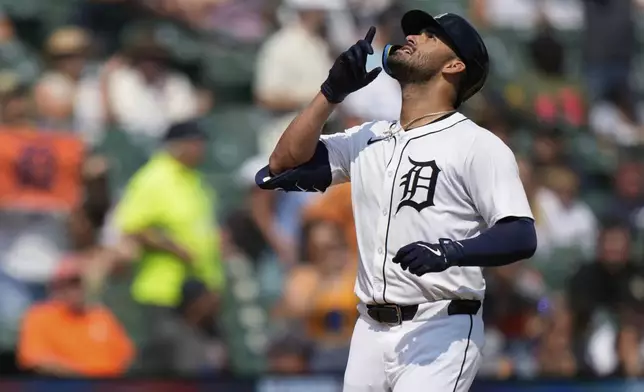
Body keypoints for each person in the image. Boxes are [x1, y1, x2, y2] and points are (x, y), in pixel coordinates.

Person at [256, 10, 537, 391]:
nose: (414, 37)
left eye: (430, 36)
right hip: (369, 331)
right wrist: (331, 93)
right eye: (416, 31)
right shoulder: (368, 137)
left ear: (455, 65)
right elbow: (281, 163)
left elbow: (520, 234)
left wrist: (450, 252)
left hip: (441, 326)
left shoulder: (479, 145)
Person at [113, 120, 224, 374]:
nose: (200, 149)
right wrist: (173, 247)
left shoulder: (194, 179)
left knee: (192, 363)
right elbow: (133, 227)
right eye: (195, 143)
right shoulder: (154, 178)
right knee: (179, 365)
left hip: (198, 291)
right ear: (177, 146)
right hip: (164, 290)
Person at [17, 258, 134, 377]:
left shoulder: (102, 316)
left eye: (77, 284)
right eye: (66, 284)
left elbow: (124, 356)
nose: (73, 290)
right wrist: (83, 378)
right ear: (55, 287)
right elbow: (37, 360)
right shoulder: (40, 316)